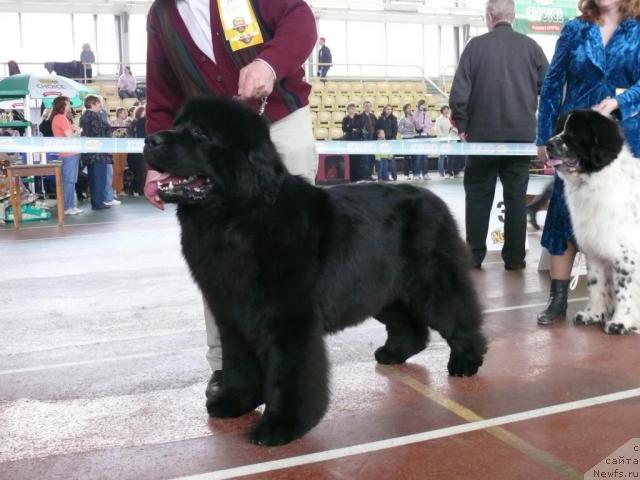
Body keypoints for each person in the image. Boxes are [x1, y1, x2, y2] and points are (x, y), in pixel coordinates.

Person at [144, 0, 318, 399]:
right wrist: (156, 164)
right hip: (213, 151)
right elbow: (162, 92)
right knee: (214, 253)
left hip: (281, 124)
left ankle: (292, 359)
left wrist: (270, 65)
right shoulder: (161, 16)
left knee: (292, 253)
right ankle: (228, 364)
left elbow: (301, 20)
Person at [535, 0, 640, 325]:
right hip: (573, 133)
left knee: (624, 231)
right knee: (563, 218)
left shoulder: (637, 29)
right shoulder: (574, 28)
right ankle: (558, 298)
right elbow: (552, 83)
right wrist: (544, 136)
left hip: (623, 139)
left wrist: (621, 101)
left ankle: (622, 305)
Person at [449, 0, 548, 270]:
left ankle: (474, 256)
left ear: (490, 16)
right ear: (513, 17)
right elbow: (549, 88)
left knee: (478, 196)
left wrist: (463, 126)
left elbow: (459, 95)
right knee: (516, 198)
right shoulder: (532, 48)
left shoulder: (475, 47)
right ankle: (515, 259)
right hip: (521, 137)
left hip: (481, 137)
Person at [79, 95, 113, 210]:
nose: (100, 106)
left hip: (89, 153)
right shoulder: (95, 117)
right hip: (99, 154)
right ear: (93, 104)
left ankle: (96, 202)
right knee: (100, 179)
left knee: (93, 179)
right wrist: (108, 127)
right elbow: (99, 133)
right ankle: (99, 203)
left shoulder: (83, 116)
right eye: (99, 104)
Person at [50, 96, 82, 215]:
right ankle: (68, 207)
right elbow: (69, 136)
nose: (70, 106)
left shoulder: (60, 118)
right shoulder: (61, 118)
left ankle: (70, 206)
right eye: (68, 104)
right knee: (69, 181)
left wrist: (75, 131)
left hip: (69, 153)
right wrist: (78, 132)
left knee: (71, 181)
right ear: (63, 105)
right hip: (69, 153)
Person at [128, 105, 147, 197]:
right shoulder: (141, 121)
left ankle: (139, 190)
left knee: (140, 171)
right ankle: (140, 190)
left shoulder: (138, 122)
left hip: (137, 149)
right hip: (139, 149)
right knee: (140, 171)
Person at [375, 104, 398, 180]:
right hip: (382, 141)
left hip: (390, 141)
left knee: (392, 160)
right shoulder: (380, 118)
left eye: (390, 109)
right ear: (384, 110)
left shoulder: (394, 118)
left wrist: (393, 139)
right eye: (387, 109)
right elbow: (377, 128)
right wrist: (380, 137)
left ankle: (394, 176)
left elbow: (395, 130)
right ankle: (383, 177)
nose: (389, 110)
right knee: (382, 161)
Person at [111, 107, 130, 197]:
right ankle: (114, 189)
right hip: (115, 148)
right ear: (119, 113)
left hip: (123, 148)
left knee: (122, 169)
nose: (126, 114)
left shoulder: (126, 123)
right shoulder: (113, 123)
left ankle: (120, 189)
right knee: (116, 169)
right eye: (124, 112)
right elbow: (112, 135)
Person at [357, 100, 377, 180]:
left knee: (372, 158)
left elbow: (376, 126)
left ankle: (370, 174)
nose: (368, 107)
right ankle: (365, 175)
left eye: (369, 106)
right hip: (364, 140)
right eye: (366, 106)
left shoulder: (373, 116)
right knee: (365, 158)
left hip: (373, 139)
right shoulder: (360, 116)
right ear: (363, 107)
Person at [398, 103, 418, 180]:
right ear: (405, 110)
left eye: (410, 108)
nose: (410, 109)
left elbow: (416, 127)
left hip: (413, 138)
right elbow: (400, 130)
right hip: (406, 139)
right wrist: (407, 130)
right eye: (408, 108)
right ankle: (406, 174)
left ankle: (415, 173)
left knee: (414, 157)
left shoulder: (413, 118)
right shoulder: (402, 118)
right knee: (406, 157)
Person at [413, 99, 431, 179]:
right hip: (418, 135)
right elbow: (418, 124)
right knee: (418, 156)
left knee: (425, 156)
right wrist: (420, 114)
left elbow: (429, 124)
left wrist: (426, 127)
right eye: (422, 104)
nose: (424, 106)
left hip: (425, 135)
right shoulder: (416, 113)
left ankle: (425, 173)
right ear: (419, 105)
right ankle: (416, 173)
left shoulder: (427, 113)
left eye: (425, 104)